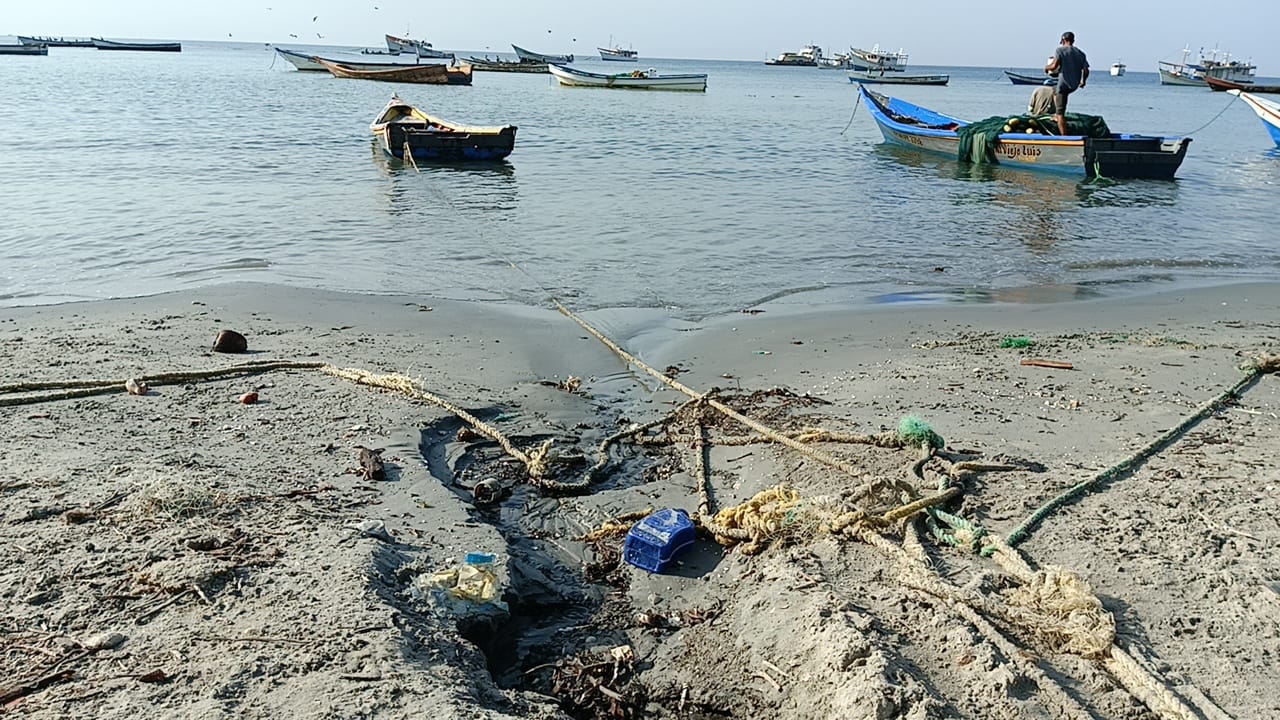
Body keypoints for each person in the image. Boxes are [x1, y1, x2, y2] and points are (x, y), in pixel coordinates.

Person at [1044, 31, 1089, 135]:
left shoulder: (1060, 50)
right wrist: (1083, 82)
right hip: (1074, 85)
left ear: (1064, 40)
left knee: (1061, 113)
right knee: (1054, 91)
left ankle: (1064, 136)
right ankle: (1057, 114)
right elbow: (1086, 70)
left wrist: (1046, 68)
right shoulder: (1080, 53)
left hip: (1063, 85)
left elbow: (1054, 66)